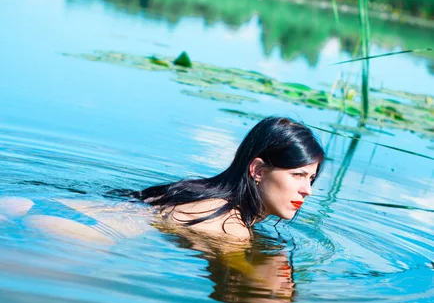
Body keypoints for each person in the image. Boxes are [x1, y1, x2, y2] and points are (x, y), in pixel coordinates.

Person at [0, 116, 325, 245]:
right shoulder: (233, 229)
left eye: (311, 178)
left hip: (47, 205)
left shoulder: (203, 195)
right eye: (297, 175)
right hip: (83, 236)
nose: (307, 189)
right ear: (257, 170)